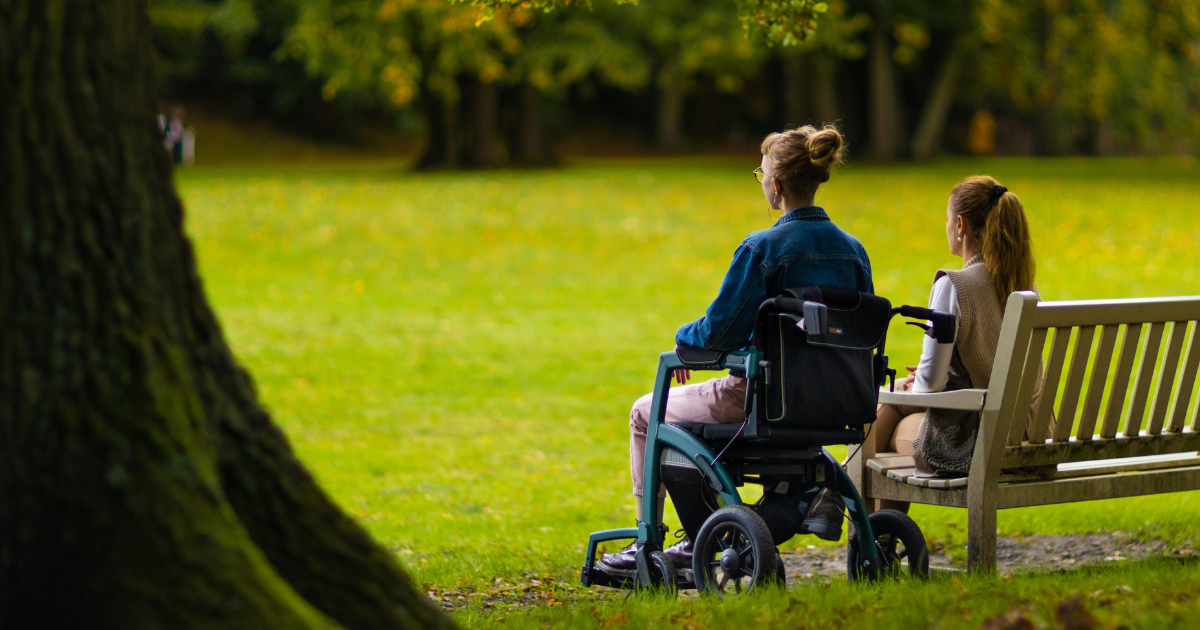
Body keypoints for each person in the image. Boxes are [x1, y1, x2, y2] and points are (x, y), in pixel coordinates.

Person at [599, 125, 873, 574]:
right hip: (833, 402)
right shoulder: (854, 252)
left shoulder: (762, 248)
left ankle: (652, 539)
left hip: (758, 400)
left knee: (646, 412)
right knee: (675, 412)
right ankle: (780, 503)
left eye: (760, 173)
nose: (760, 179)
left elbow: (718, 333)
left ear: (776, 184)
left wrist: (682, 340)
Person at [873, 175, 1046, 511]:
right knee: (899, 404)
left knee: (887, 410)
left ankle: (866, 535)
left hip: (975, 446)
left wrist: (911, 386)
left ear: (960, 224)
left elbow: (930, 387)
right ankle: (866, 528)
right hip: (1029, 437)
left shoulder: (954, 286)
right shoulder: (1026, 285)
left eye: (947, 219)